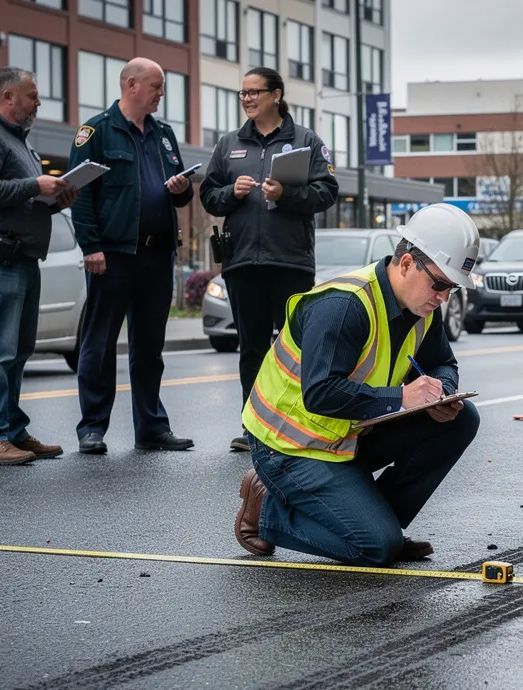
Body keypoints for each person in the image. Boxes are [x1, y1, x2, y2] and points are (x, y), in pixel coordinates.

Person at [234, 204, 483, 566]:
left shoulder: (423, 305)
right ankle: (270, 510)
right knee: (374, 548)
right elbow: (320, 393)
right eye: (441, 284)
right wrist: (402, 397)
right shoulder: (344, 305)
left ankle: (378, 525)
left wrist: (439, 393)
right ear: (407, 263)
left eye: (453, 288)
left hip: (349, 432)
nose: (445, 296)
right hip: (289, 447)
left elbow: (442, 362)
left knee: (462, 419)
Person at [199, 67, 338, 452]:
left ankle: (299, 422)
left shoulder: (306, 141)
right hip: (243, 261)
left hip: (290, 261)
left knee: (295, 347)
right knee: (252, 348)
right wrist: (232, 192)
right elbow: (208, 195)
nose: (247, 99)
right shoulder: (228, 145)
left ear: (275, 95)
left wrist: (285, 195)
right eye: (242, 93)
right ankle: (253, 428)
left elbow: (327, 192)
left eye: (254, 92)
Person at [68, 58, 195, 455]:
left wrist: (179, 190)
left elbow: (185, 193)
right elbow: (81, 193)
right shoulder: (96, 132)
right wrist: (91, 246)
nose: (161, 94)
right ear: (132, 84)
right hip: (114, 255)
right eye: (156, 87)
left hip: (156, 256)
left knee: (149, 348)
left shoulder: (164, 134)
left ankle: (152, 427)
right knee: (100, 344)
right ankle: (92, 428)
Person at [0, 66, 77, 465]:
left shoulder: (18, 142)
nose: (38, 102)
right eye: (32, 95)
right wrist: (35, 185)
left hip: (21, 256)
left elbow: (20, 197)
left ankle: (11, 430)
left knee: (19, 350)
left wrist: (55, 199)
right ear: (8, 97)